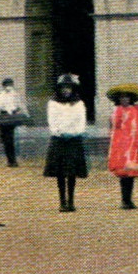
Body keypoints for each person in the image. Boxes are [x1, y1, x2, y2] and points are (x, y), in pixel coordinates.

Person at [42, 74, 88, 213]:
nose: (66, 90)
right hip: (59, 140)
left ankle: (71, 201)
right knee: (60, 172)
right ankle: (62, 201)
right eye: (64, 88)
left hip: (74, 139)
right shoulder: (53, 103)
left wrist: (75, 132)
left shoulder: (79, 103)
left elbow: (81, 121)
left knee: (72, 171)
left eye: (69, 88)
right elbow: (52, 121)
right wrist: (59, 132)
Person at [107, 82, 138, 209]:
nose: (124, 99)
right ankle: (125, 199)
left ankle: (129, 199)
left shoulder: (136, 111)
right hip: (121, 147)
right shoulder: (116, 111)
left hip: (133, 147)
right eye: (122, 97)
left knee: (131, 173)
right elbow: (113, 129)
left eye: (127, 97)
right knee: (123, 174)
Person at [0, 77, 29, 167]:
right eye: (6, 85)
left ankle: (12, 160)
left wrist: (26, 115)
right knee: (5, 140)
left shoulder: (15, 95)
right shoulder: (1, 95)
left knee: (10, 139)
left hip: (11, 118)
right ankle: (10, 160)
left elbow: (20, 105)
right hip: (3, 118)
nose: (8, 87)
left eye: (9, 85)